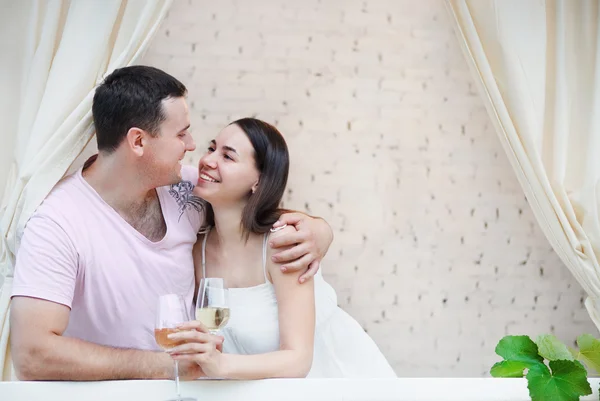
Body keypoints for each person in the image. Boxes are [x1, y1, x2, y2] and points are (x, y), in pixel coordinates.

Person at [9, 66, 333, 381]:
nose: (193, 147)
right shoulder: (57, 223)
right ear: (138, 142)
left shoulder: (186, 187)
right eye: (181, 134)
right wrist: (165, 366)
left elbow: (249, 203)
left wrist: (319, 231)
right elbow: (32, 356)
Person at [166, 118, 396, 378]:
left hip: (338, 384)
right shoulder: (199, 251)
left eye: (228, 157)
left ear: (258, 181)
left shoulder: (282, 243)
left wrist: (220, 365)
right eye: (211, 148)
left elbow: (298, 360)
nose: (208, 160)